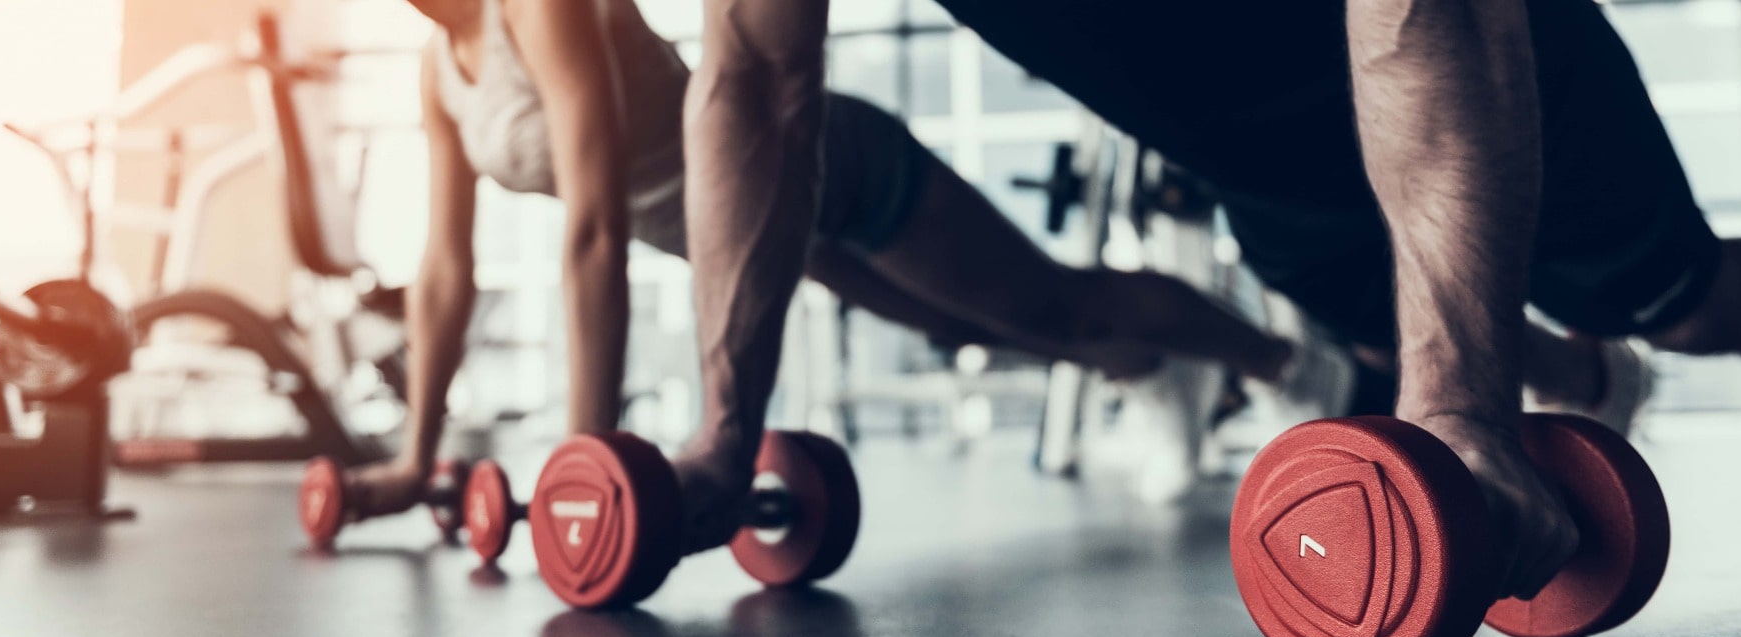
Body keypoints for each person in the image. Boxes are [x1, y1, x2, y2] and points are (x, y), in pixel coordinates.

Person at [685, 0, 1741, 597]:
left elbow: (1413, 13)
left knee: (1688, 304)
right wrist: (722, 444)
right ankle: (1586, 379)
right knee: (1362, 328)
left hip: (1481, 65)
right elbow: (752, 76)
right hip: (1262, 166)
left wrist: (1462, 417)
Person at [338, 0, 1356, 518]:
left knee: (1055, 310)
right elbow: (440, 273)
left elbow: (597, 225)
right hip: (741, 235)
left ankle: (1289, 362)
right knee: (966, 328)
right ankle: (1156, 368)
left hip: (823, 168)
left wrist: (583, 455)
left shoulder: (540, 9)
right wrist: (415, 458)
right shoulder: (442, 70)